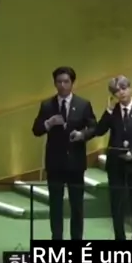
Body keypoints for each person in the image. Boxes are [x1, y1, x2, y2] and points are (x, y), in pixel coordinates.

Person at [86, 76, 132, 240]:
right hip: (116, 163)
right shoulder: (113, 111)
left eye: (124, 88)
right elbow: (99, 131)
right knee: (117, 203)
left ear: (130, 89)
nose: (121, 93)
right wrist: (108, 110)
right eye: (117, 91)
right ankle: (119, 238)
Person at [31, 67, 97, 240]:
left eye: (66, 81)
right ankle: (57, 239)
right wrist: (48, 123)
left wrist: (82, 135)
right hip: (55, 163)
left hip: (75, 163)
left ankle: (77, 240)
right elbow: (36, 130)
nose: (62, 85)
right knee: (55, 205)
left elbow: (93, 127)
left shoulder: (83, 104)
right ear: (54, 83)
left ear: (72, 83)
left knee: (77, 206)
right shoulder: (47, 105)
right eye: (59, 82)